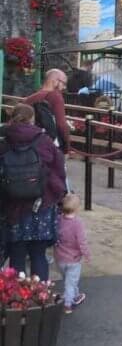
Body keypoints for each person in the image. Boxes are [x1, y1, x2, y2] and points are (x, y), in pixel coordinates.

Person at [0, 103, 67, 281]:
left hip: (13, 207)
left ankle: (15, 299)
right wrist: (60, 193)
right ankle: (41, 298)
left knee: (17, 255)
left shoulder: (4, 141)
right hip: (41, 205)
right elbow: (59, 167)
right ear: (32, 119)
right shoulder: (43, 140)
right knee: (38, 254)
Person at [55, 193, 89, 314]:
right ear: (77, 208)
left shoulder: (58, 219)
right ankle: (68, 304)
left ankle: (75, 295)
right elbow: (82, 241)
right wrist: (86, 254)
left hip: (60, 257)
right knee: (71, 281)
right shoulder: (77, 223)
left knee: (68, 279)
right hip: (73, 258)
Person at [23, 69, 73, 151]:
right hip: (49, 144)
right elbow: (61, 124)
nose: (64, 87)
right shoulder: (56, 96)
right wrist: (67, 145)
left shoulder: (30, 98)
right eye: (63, 83)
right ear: (55, 81)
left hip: (30, 142)